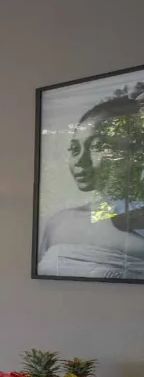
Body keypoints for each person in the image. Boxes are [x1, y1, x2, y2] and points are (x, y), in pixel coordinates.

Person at [38, 88, 144, 279]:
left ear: (136, 154)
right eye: (74, 149)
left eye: (97, 146)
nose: (80, 160)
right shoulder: (59, 223)